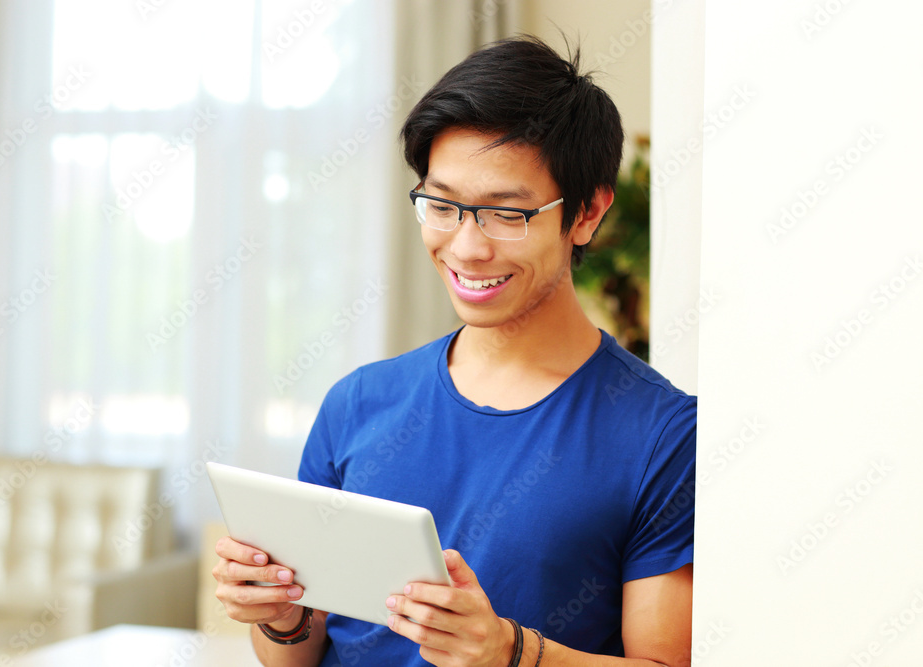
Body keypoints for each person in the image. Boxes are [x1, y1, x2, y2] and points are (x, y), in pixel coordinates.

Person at [213, 34, 695, 667]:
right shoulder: (360, 402)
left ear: (586, 214)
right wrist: (281, 619)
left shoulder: (662, 434)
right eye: (441, 205)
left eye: (505, 213)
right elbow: (295, 658)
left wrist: (509, 652)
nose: (466, 248)